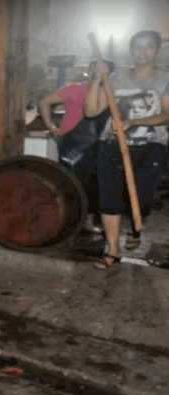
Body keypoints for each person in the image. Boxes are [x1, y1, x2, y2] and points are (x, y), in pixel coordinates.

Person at [84, 30, 169, 269]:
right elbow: (91, 111)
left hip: (150, 146)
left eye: (149, 46)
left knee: (141, 198)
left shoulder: (164, 78)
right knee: (109, 198)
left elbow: (166, 115)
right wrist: (97, 80)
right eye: (138, 46)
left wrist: (133, 122)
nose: (143, 51)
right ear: (130, 50)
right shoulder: (117, 77)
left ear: (157, 50)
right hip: (111, 146)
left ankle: (135, 227)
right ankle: (113, 250)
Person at [39, 61, 114, 235]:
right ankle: (68, 220)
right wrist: (52, 127)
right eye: (95, 71)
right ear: (89, 72)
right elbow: (44, 101)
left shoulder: (112, 94)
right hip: (72, 144)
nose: (100, 75)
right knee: (71, 183)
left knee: (95, 183)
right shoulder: (76, 90)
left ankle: (87, 220)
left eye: (104, 72)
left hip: (100, 143)